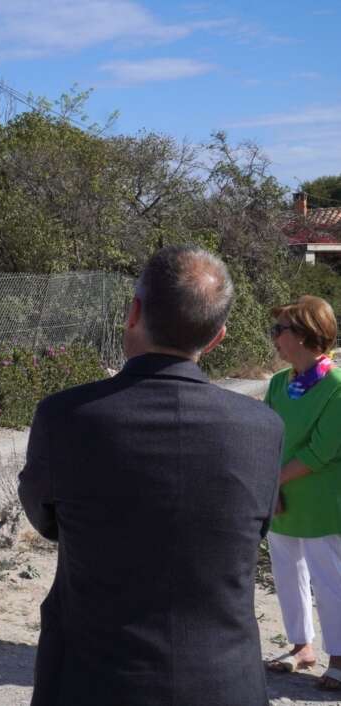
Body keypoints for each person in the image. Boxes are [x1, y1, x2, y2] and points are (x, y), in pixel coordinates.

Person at [18, 245, 283, 706]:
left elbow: (46, 520)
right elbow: (253, 527)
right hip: (224, 682)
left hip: (93, 679)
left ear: (134, 312)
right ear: (218, 336)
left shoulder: (65, 416)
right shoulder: (263, 429)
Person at [263, 295, 341, 690]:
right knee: (286, 571)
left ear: (306, 334)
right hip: (282, 498)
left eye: (280, 330)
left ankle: (339, 659)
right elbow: (266, 437)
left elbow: (319, 452)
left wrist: (274, 481)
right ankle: (301, 647)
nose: (274, 337)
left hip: (322, 502)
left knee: (330, 581)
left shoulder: (336, 386)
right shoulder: (279, 382)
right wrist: (270, 485)